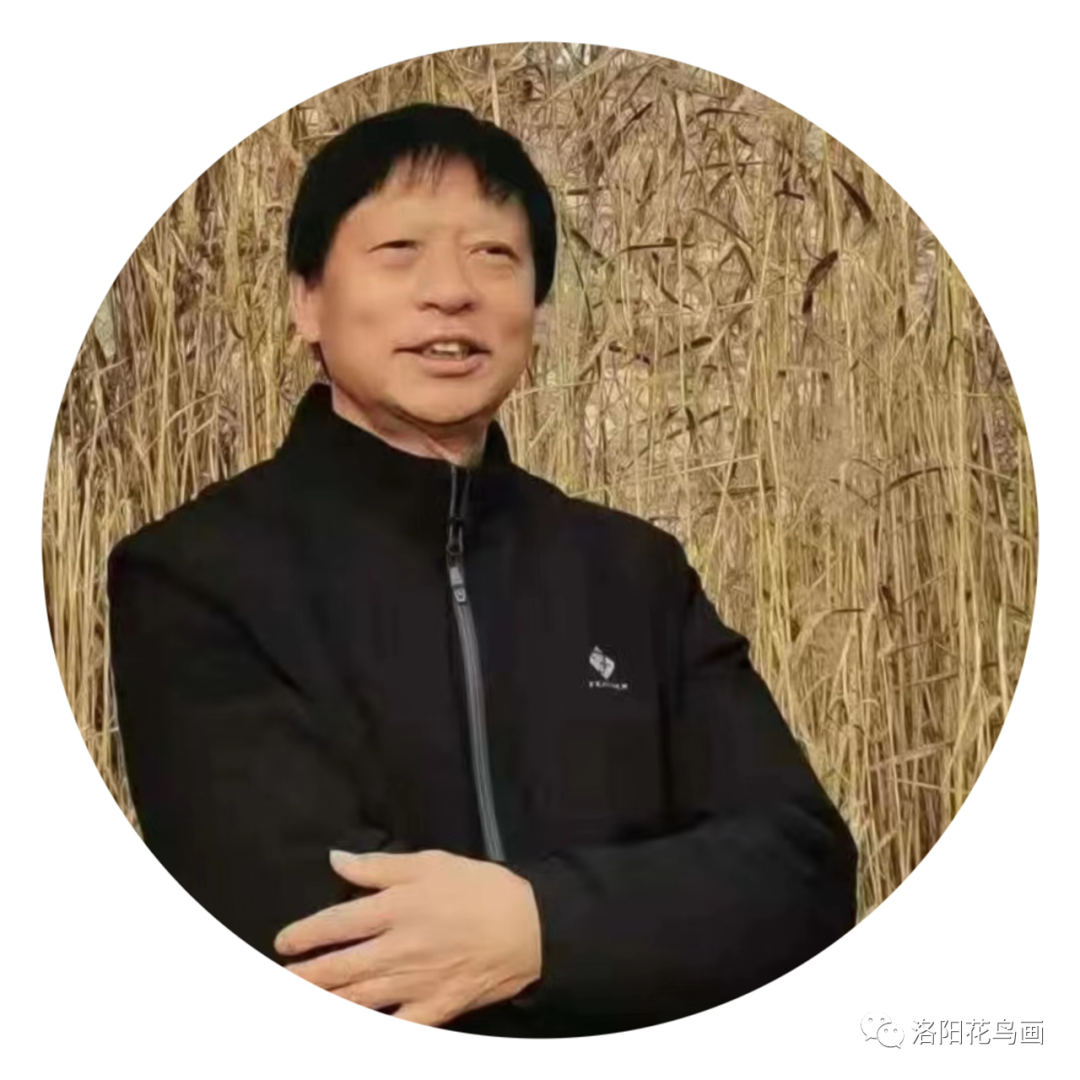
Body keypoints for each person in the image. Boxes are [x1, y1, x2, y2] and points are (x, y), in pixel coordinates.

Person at [107, 103, 858, 1039]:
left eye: (495, 256)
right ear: (306, 301)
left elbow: (802, 870)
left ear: (535, 309)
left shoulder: (633, 573)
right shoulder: (194, 574)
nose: (452, 292)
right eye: (400, 252)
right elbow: (307, 932)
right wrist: (649, 929)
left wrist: (542, 930)